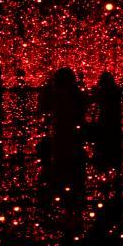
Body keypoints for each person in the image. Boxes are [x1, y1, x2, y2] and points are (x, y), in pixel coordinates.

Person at [38, 67, 87, 232]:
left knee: (62, 175)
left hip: (60, 142)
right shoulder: (76, 95)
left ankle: (65, 214)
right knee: (74, 177)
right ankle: (74, 214)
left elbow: (43, 107)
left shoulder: (56, 95)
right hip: (73, 142)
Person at [93, 72, 123, 182]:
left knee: (104, 151)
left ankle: (105, 177)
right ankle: (115, 178)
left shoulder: (102, 93)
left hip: (105, 125)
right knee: (113, 152)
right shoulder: (115, 93)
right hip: (113, 126)